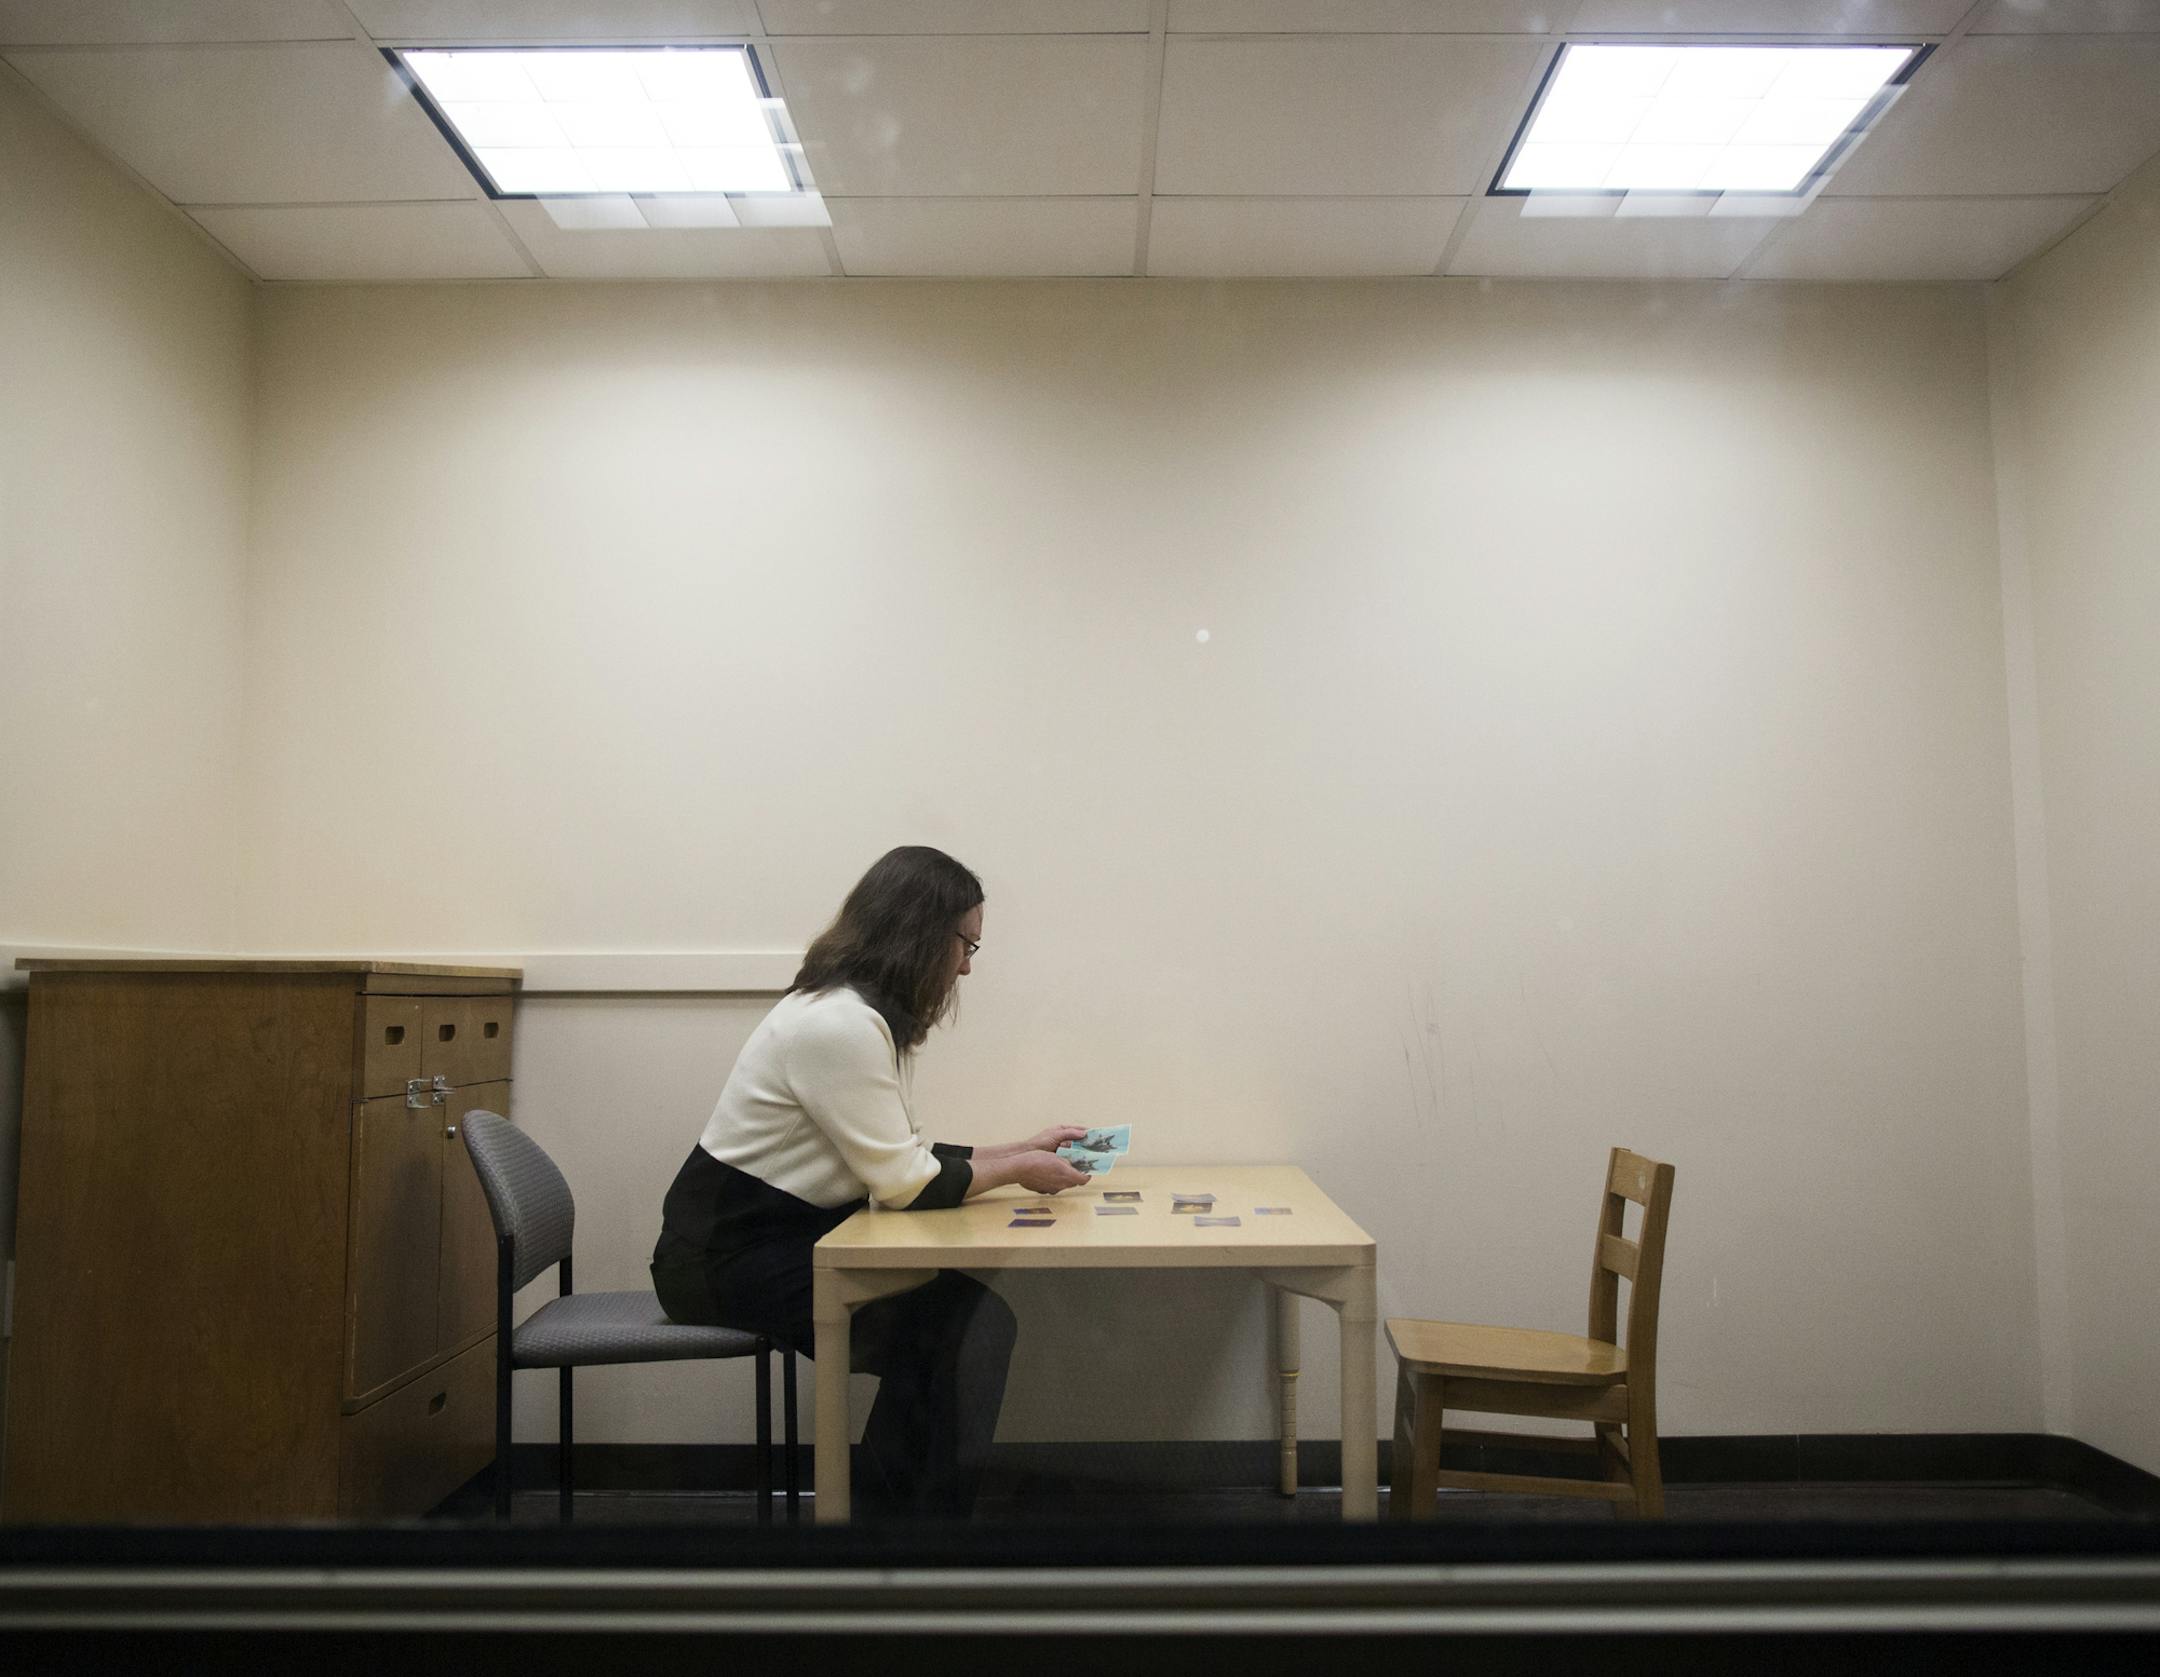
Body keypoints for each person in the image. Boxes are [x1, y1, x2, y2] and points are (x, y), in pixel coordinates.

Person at [650, 845, 1088, 1519]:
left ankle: (894, 1527)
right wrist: (1020, 1170)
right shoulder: (839, 1025)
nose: (967, 965)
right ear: (921, 933)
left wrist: (1019, 1150)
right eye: (966, 944)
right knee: (961, 1330)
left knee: (960, 1326)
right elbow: (906, 1184)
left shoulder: (853, 1013)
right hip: (722, 1261)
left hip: (779, 1240)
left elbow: (902, 1155)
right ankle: (902, 1535)